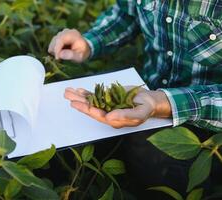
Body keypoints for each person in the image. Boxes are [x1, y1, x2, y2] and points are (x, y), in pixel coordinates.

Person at [48, 0, 222, 197]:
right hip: (145, 94)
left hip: (209, 121)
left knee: (151, 156)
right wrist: (89, 43)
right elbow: (127, 12)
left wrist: (162, 102)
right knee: (72, 134)